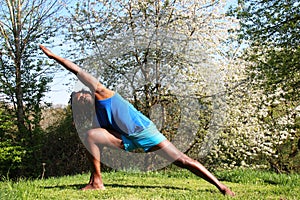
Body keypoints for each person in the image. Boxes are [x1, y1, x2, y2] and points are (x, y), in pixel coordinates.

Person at [39, 45, 235, 196]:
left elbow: (77, 71)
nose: (80, 96)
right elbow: (97, 144)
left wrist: (54, 56)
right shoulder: (96, 117)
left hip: (145, 132)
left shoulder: (101, 92)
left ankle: (221, 186)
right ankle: (96, 182)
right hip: (125, 140)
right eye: (77, 99)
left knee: (183, 160)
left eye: (80, 94)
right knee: (90, 136)